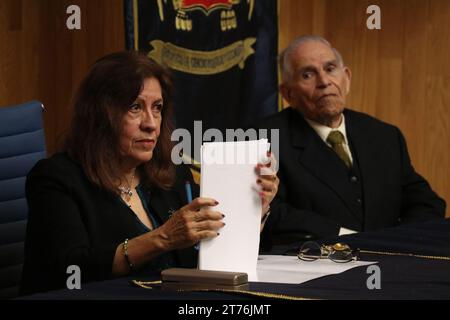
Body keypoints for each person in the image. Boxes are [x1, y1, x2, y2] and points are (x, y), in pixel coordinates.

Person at [21, 51, 279, 295]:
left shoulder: (171, 172)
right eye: (135, 107)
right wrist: (163, 237)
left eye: (157, 107)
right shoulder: (55, 179)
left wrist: (255, 206)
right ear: (99, 115)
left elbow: (206, 252)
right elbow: (71, 270)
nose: (151, 123)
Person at [257, 35, 445, 244]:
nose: (324, 81)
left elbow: (426, 203)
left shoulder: (385, 136)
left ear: (346, 78)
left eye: (330, 69)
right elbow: (270, 212)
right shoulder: (264, 139)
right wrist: (346, 238)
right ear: (288, 93)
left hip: (390, 264)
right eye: (308, 74)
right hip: (313, 264)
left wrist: (397, 241)